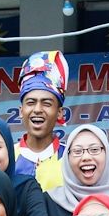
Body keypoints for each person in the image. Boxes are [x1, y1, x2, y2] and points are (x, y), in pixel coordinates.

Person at [13, 51, 70, 192]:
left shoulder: (71, 158)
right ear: (21, 111)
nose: (37, 109)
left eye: (46, 103)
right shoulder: (6, 157)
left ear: (59, 113)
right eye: (31, 102)